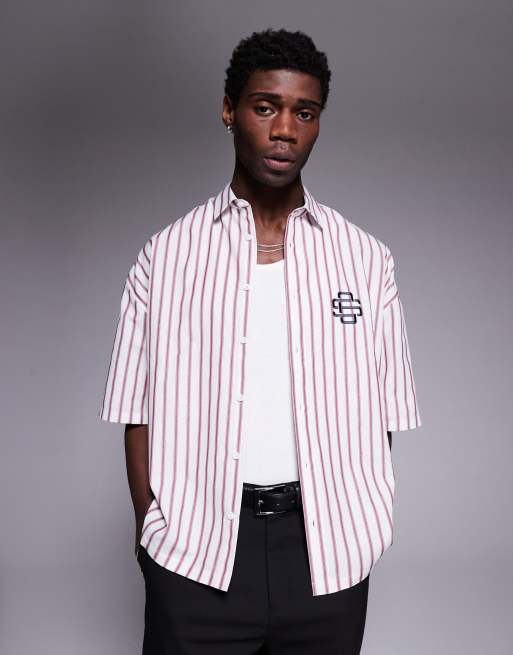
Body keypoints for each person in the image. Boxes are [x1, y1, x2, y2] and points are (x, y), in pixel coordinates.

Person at [99, 27, 422, 655]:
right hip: (196, 556)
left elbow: (383, 413)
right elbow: (135, 413)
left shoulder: (366, 260)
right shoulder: (165, 257)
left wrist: (357, 524)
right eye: (266, 107)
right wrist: (152, 537)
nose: (285, 131)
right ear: (229, 110)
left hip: (325, 556)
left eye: (305, 113)